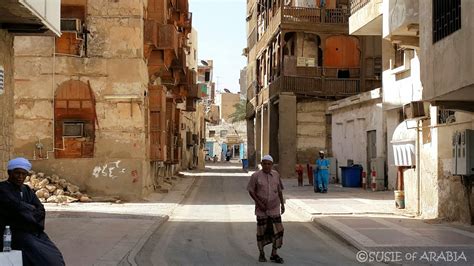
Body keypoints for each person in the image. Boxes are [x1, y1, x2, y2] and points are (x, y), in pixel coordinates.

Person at [0, 157, 65, 266]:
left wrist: (26, 210)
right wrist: (29, 209)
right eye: (17, 173)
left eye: (23, 174)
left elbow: (40, 210)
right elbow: (14, 208)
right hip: (13, 232)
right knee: (39, 254)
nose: (20, 177)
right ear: (9, 172)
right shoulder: (2, 189)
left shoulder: (26, 189)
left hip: (32, 230)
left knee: (53, 254)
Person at [247, 155, 285, 263]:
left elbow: (280, 190)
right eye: (265, 164)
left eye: (269, 164)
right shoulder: (255, 176)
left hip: (274, 208)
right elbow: (251, 191)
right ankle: (261, 253)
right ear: (261, 164)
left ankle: (274, 253)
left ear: (272, 165)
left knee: (279, 230)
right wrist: (259, 203)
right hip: (261, 209)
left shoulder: (276, 175)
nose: (267, 166)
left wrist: (282, 204)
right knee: (261, 232)